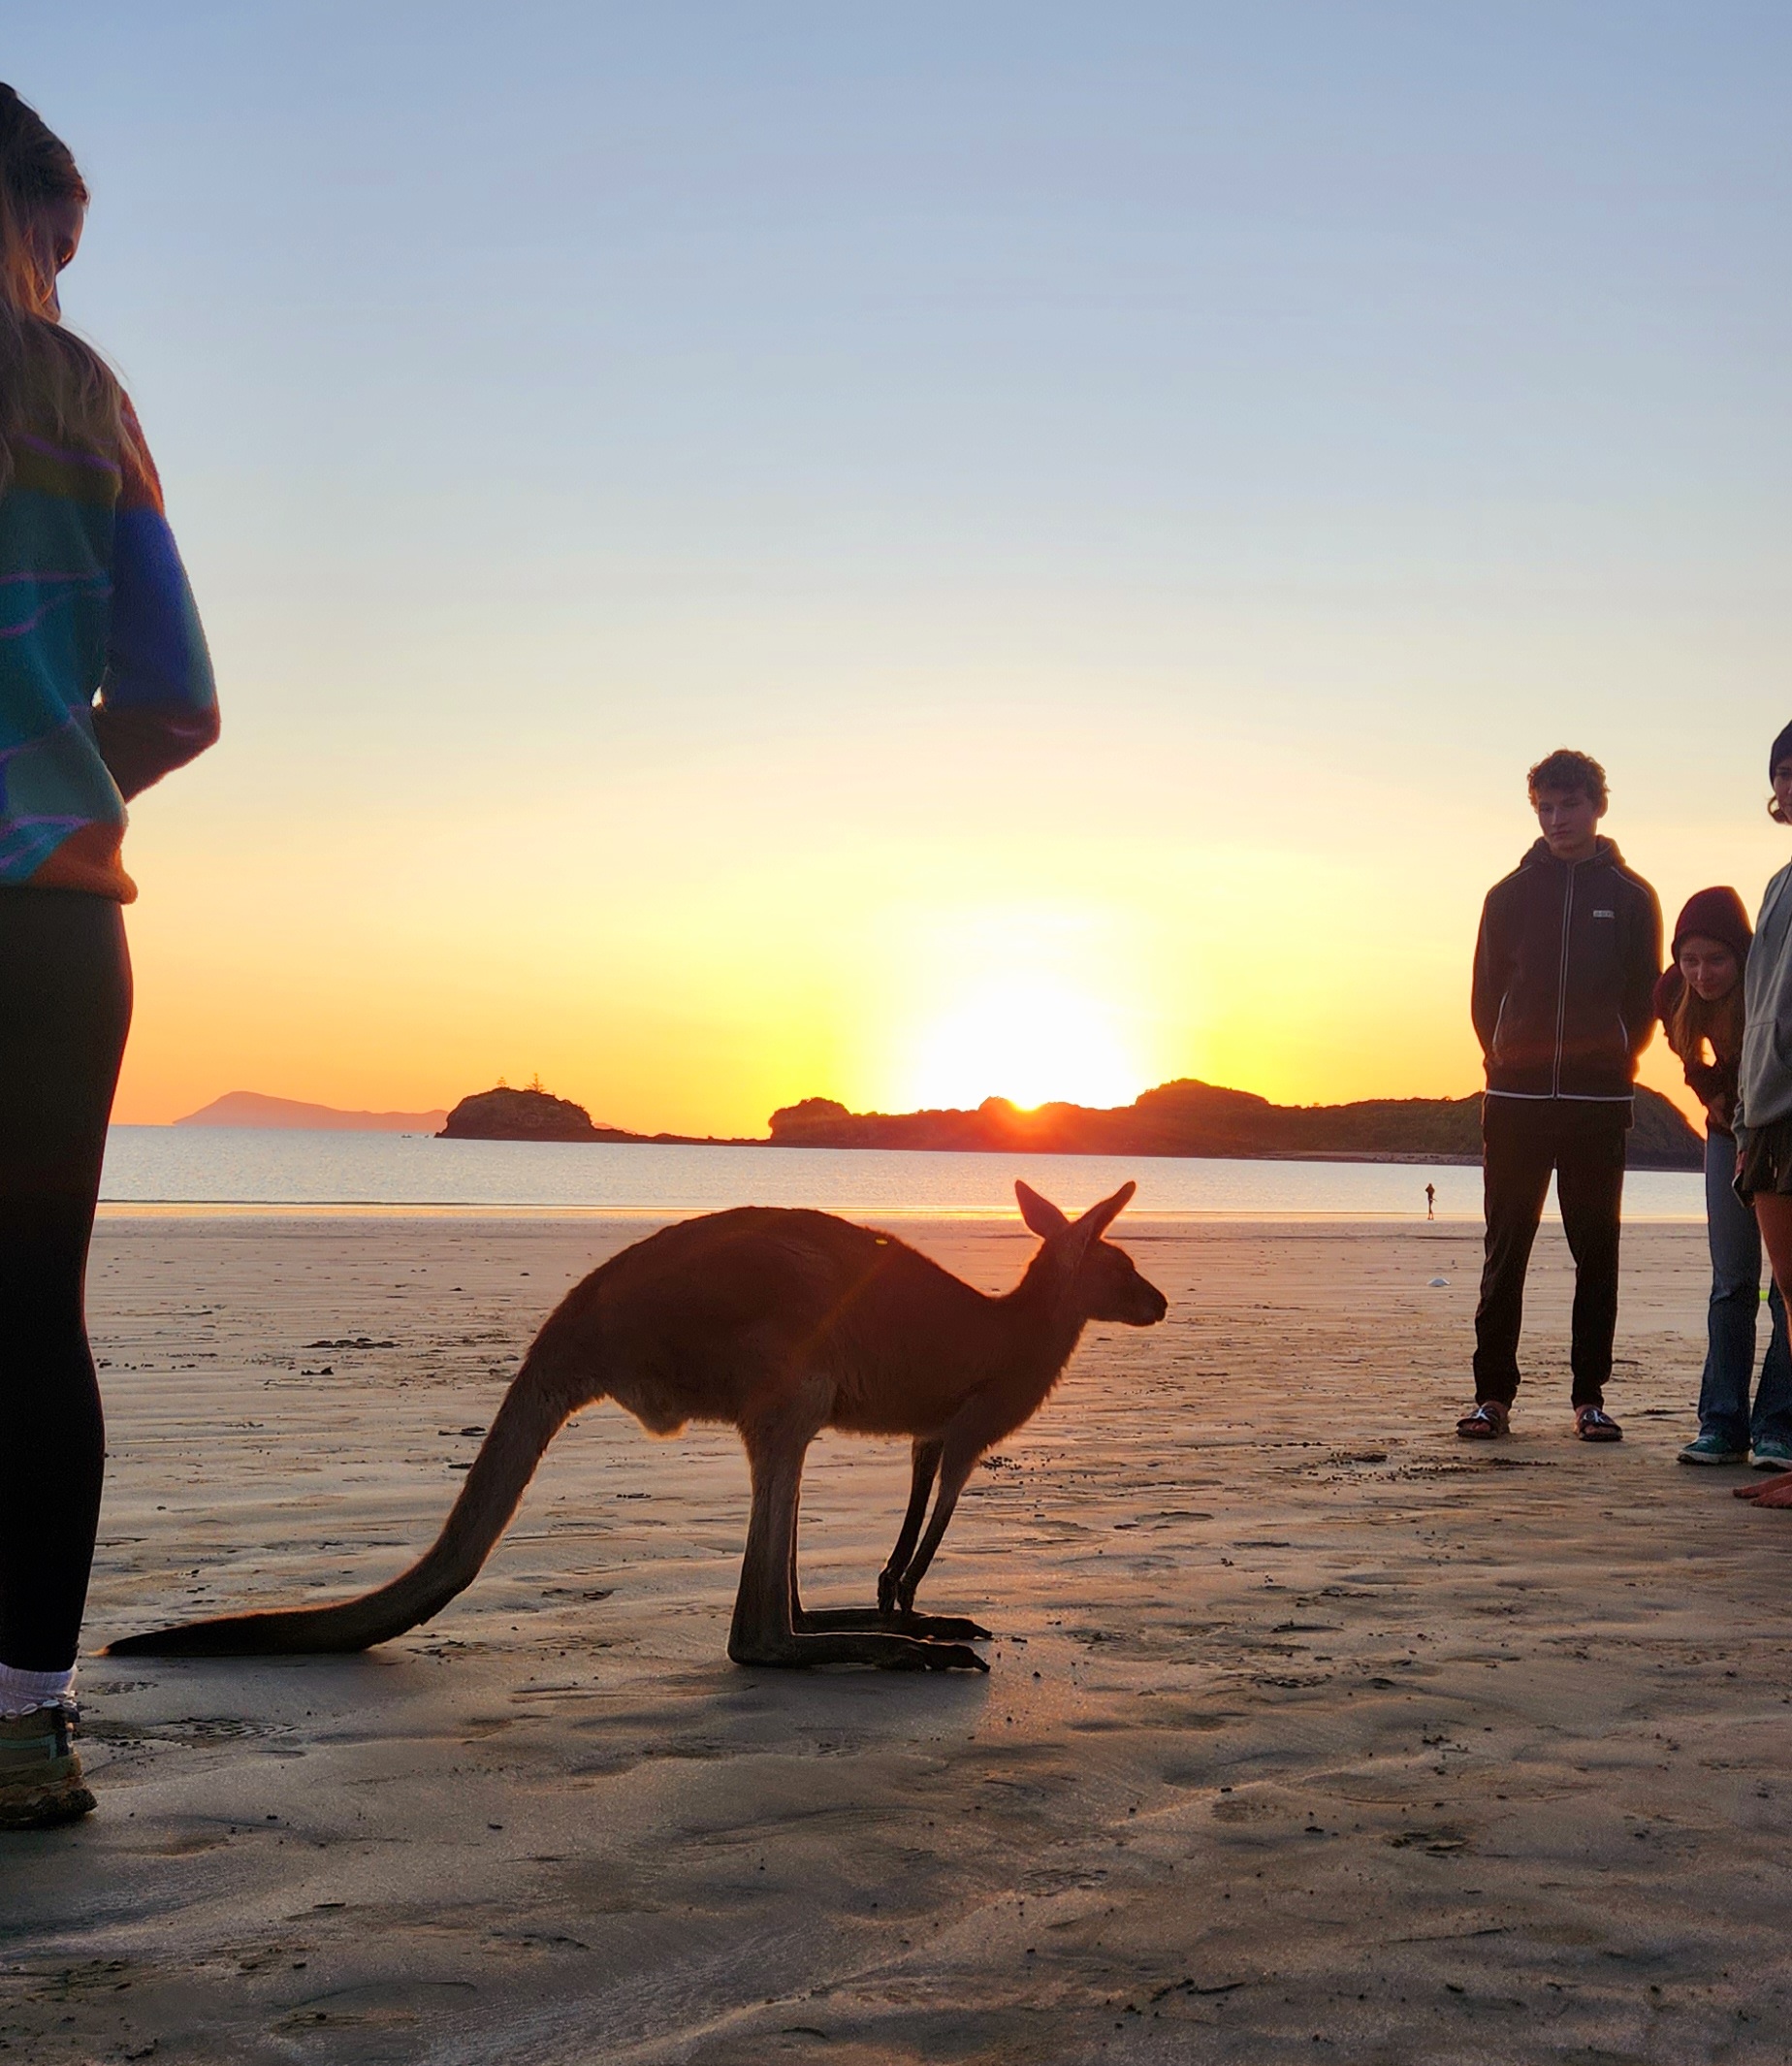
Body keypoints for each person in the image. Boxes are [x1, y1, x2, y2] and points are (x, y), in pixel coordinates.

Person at [0, 88, 218, 1829]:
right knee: (29, 1321)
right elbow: (178, 704)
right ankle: (25, 1729)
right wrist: (60, 790)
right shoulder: (87, 403)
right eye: (63, 238)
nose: (63, 273)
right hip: (56, 927)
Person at [1458, 749, 1661, 1442]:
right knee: (1504, 1249)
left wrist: (1612, 1056)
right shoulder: (1507, 896)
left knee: (1595, 1250)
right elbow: (1484, 999)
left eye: (1568, 804)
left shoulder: (1633, 897)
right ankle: (1493, 1397)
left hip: (1597, 1105)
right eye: (1545, 806)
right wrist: (1506, 1056)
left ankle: (1589, 1398)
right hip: (1514, 1103)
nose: (1556, 818)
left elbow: (1646, 996)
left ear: (1596, 806)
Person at [1652, 888, 1792, 1466]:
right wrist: (1715, 1105)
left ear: (1743, 958)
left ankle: (1779, 1427)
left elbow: (1757, 1073)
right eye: (1691, 960)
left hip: (1778, 1130)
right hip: (1724, 1133)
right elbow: (1694, 1066)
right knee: (1732, 1282)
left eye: (1717, 960)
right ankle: (1721, 1421)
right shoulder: (1670, 994)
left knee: (1786, 1290)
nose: (1702, 973)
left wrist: (1745, 1126)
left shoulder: (1767, 991)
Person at [1733, 728, 1792, 1515]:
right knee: (1789, 1291)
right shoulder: (1779, 883)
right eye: (1785, 773)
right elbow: (1758, 1012)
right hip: (1770, 1119)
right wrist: (1747, 1119)